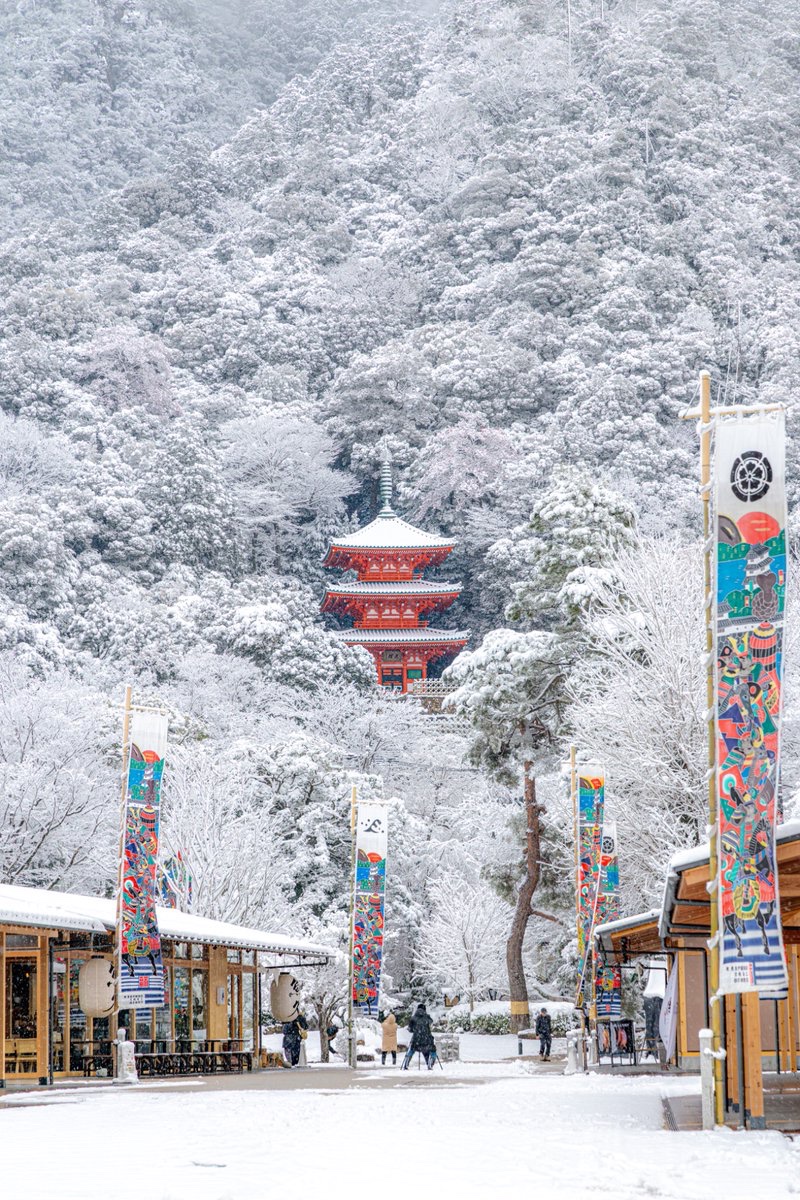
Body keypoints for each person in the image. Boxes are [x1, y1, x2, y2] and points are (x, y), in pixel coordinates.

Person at [402, 1003, 437, 1070]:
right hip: (427, 1039)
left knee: (411, 1050)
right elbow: (431, 1022)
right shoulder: (427, 1017)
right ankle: (430, 1062)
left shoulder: (413, 1018)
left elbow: (410, 1029)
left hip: (416, 1039)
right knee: (432, 1049)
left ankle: (406, 1064)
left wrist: (415, 1030)